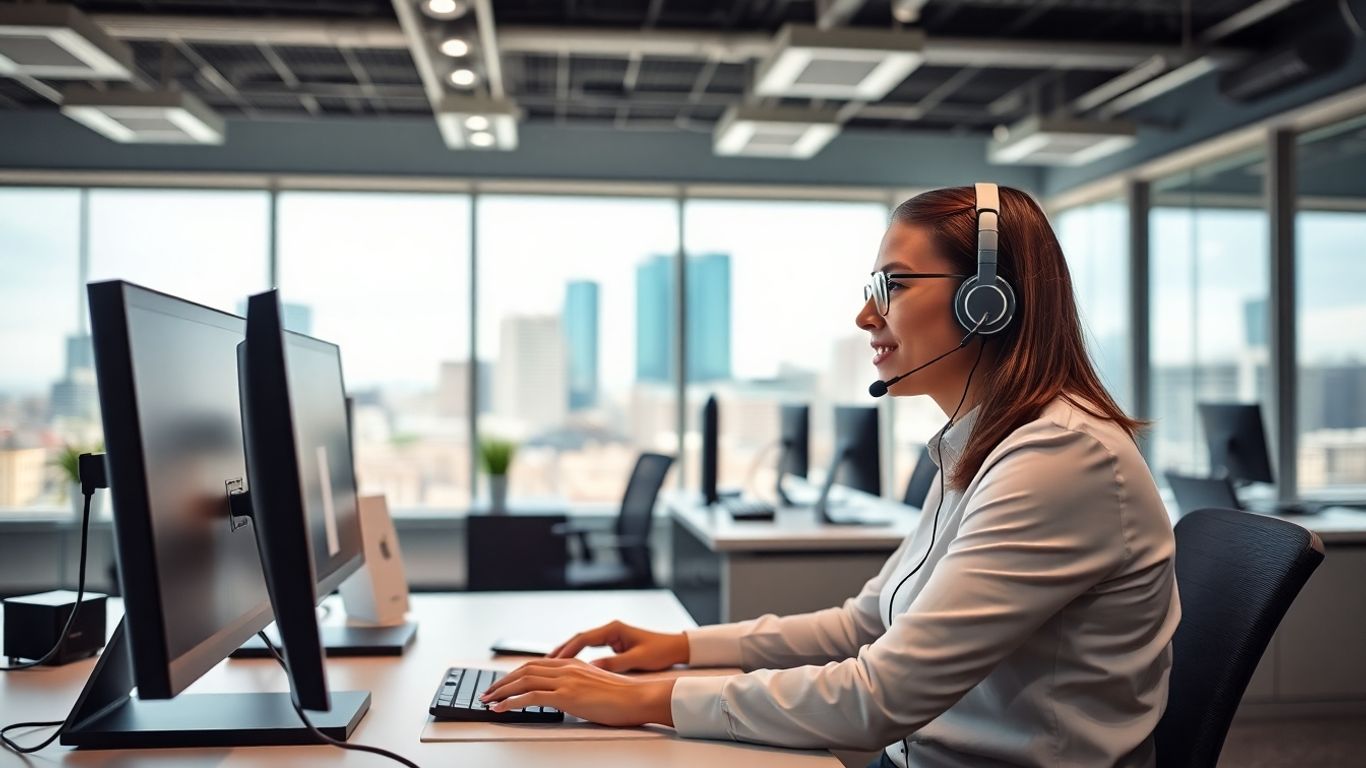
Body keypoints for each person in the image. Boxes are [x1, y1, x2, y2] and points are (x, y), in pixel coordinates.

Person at [481, 184, 1181, 768]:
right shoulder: (987, 444)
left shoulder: (1058, 458)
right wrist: (682, 649)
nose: (865, 314)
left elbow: (878, 697)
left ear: (987, 300)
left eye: (894, 284)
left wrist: (640, 700)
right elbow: (864, 624)